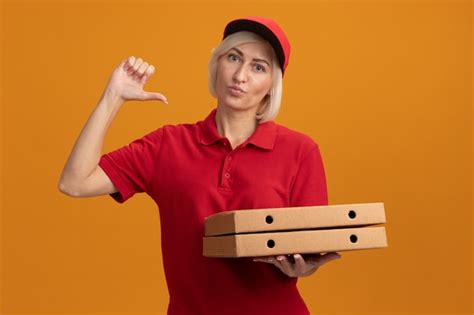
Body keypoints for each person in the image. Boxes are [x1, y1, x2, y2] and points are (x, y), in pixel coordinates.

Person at [59, 16, 341, 315]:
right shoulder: (167, 145)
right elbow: (75, 183)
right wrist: (113, 96)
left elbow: (309, 244)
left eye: (259, 67)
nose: (240, 75)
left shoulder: (300, 151)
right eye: (234, 58)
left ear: (273, 85)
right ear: (217, 64)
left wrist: (303, 267)